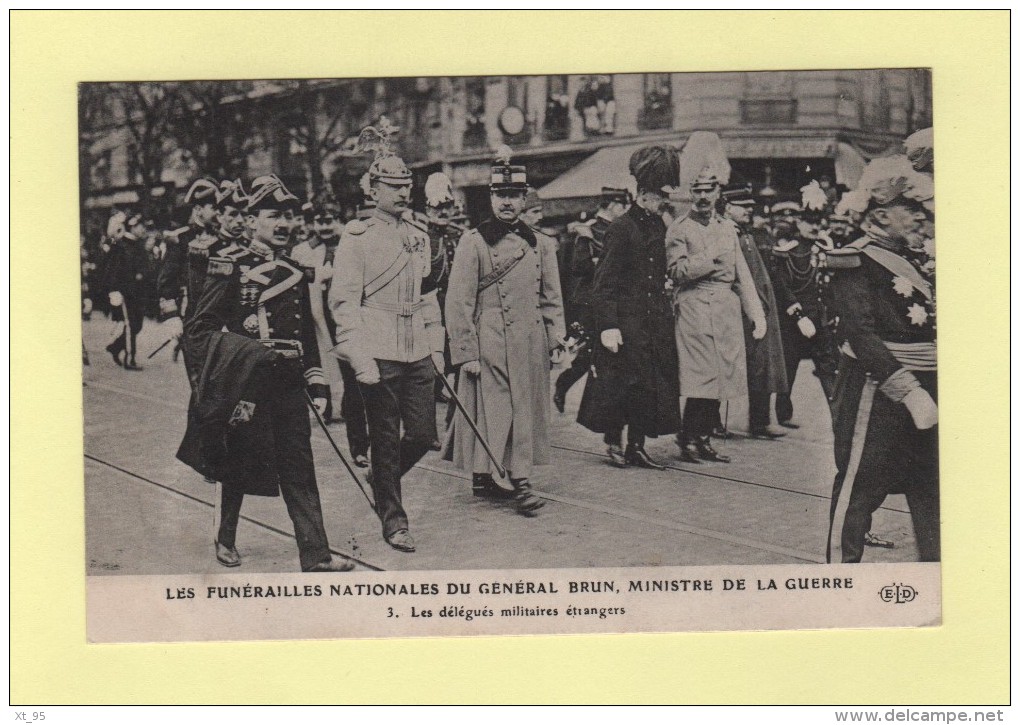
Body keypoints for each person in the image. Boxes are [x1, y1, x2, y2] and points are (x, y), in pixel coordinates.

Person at [182, 174, 353, 573]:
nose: (284, 224)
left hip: (290, 384)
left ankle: (316, 555)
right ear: (253, 219)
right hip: (248, 384)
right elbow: (199, 330)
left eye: (289, 216)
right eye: (274, 215)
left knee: (299, 466)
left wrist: (317, 379)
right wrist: (246, 352)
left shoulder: (294, 270)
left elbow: (305, 331)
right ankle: (225, 537)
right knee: (238, 463)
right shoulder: (231, 267)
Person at [329, 127, 444, 553]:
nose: (402, 193)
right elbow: (344, 301)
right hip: (376, 350)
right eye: (392, 187)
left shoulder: (418, 235)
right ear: (372, 189)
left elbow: (427, 296)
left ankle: (381, 478)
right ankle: (394, 521)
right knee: (383, 437)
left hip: (416, 348)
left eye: (406, 186)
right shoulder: (356, 237)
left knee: (422, 434)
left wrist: (437, 348)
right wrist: (359, 357)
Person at [825, 154, 937, 563]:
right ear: (882, 215)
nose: (920, 219)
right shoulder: (855, 259)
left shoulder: (920, 258)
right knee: (860, 492)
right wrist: (908, 391)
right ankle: (839, 581)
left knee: (931, 494)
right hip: (880, 392)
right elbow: (861, 333)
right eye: (911, 210)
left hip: (930, 386)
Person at [444, 146, 566, 511]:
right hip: (490, 338)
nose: (508, 203)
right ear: (491, 197)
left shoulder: (541, 243)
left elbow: (551, 297)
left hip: (530, 339)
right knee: (498, 410)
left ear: (524, 197)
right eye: (501, 195)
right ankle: (518, 480)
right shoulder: (474, 242)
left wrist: (555, 338)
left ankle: (489, 474)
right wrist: (465, 352)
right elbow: (458, 301)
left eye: (514, 195)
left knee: (525, 408)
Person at [576, 147, 680, 469]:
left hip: (654, 320)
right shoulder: (621, 227)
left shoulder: (660, 226)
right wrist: (608, 325)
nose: (664, 201)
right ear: (644, 193)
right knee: (620, 384)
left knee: (650, 386)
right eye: (659, 194)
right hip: (626, 320)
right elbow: (603, 282)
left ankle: (637, 445)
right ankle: (613, 442)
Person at [665, 170, 768, 464]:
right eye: (697, 191)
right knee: (703, 377)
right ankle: (688, 436)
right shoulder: (679, 229)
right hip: (694, 306)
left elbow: (742, 275)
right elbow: (677, 272)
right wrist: (709, 258)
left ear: (717, 194)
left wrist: (755, 314)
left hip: (725, 309)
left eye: (708, 191)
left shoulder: (727, 228)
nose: (702, 197)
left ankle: (703, 437)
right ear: (690, 193)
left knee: (723, 376)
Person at [554, 187, 631, 414]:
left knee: (603, 356)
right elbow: (580, 267)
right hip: (589, 303)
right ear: (613, 205)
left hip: (610, 301)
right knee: (590, 356)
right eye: (623, 206)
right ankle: (564, 385)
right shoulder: (588, 231)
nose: (625, 211)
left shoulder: (617, 231)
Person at [721, 183, 789, 439]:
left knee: (763, 365)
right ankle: (712, 423)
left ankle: (760, 421)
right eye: (744, 207)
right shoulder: (729, 235)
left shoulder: (747, 236)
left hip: (760, 309)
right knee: (732, 366)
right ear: (728, 208)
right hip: (741, 310)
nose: (749, 211)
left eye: (750, 207)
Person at [767, 190, 840, 428]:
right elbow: (783, 285)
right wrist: (796, 314)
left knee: (828, 367)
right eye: (810, 221)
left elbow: (828, 285)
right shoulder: (790, 250)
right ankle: (783, 414)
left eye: (818, 222)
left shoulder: (822, 247)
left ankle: (837, 414)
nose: (814, 226)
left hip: (820, 317)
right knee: (789, 366)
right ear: (799, 222)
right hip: (795, 320)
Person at [156, 177, 220, 350]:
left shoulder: (224, 238)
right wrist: (172, 316)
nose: (218, 213)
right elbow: (167, 279)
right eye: (214, 208)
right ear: (198, 209)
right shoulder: (181, 238)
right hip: (191, 316)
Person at [101, 212, 151, 370]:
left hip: (137, 293)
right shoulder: (121, 246)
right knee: (130, 325)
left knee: (137, 325)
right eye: (141, 226)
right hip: (126, 293)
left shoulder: (137, 245)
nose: (144, 229)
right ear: (133, 226)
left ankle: (115, 347)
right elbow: (112, 270)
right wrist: (114, 290)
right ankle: (130, 359)